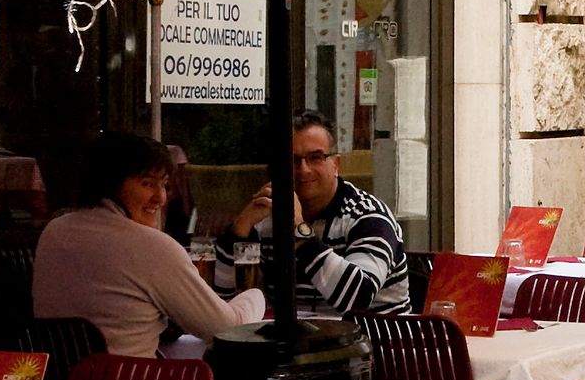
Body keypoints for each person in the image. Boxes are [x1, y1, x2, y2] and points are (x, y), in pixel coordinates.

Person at [33, 127, 254, 357]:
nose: (160, 197)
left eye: (164, 184)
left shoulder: (54, 232)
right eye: (147, 183)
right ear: (111, 184)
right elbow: (227, 330)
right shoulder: (151, 247)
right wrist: (255, 296)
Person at [231, 111, 409, 317]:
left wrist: (299, 230)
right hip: (292, 345)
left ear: (336, 165)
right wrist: (239, 231)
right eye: (293, 160)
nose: (303, 170)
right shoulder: (266, 217)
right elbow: (225, 302)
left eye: (315, 158)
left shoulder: (368, 216)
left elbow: (358, 297)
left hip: (371, 343)